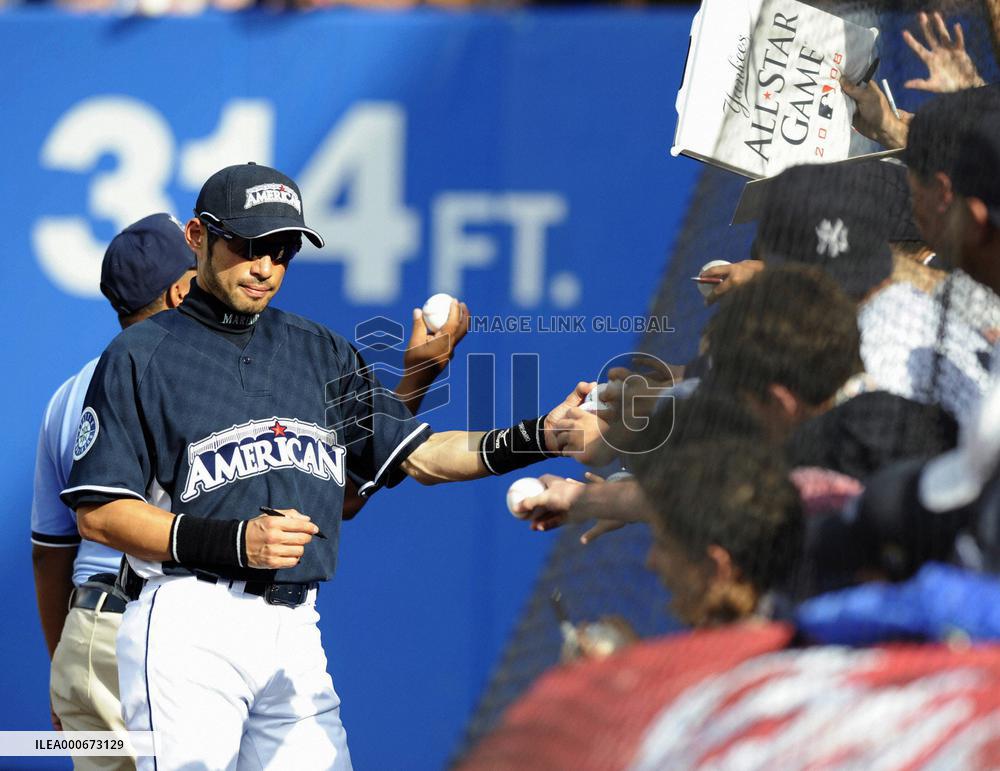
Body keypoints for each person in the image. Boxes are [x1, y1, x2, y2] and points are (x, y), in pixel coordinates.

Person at [60, 162, 587, 770]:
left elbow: (422, 456)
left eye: (282, 251)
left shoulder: (322, 350)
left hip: (293, 629)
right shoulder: (140, 355)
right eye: (247, 245)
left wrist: (541, 435)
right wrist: (233, 541)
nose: (265, 267)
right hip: (185, 623)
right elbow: (100, 515)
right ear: (198, 237)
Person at [31, 213, 197, 771]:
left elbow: (50, 555)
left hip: (87, 639)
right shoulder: (199, 381)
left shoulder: (68, 393)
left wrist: (64, 663)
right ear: (179, 292)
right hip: (157, 639)